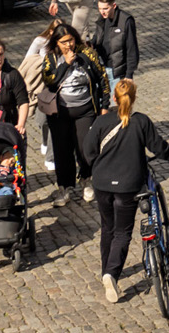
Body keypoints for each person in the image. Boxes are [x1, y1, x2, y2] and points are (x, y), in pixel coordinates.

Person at [81, 78, 169, 305]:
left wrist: (98, 165)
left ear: (114, 98)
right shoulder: (141, 122)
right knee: (122, 232)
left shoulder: (101, 122)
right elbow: (161, 150)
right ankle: (112, 274)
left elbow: (87, 150)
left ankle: (105, 272)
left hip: (102, 184)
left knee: (108, 228)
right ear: (134, 97)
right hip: (129, 186)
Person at [42, 23, 110, 205]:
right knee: (62, 151)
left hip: (85, 110)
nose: (68, 45)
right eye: (63, 42)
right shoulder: (51, 58)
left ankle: (87, 179)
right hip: (59, 113)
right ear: (56, 42)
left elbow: (103, 80)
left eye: (70, 40)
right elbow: (50, 81)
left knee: (85, 148)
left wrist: (104, 107)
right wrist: (66, 64)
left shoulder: (87, 54)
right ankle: (64, 187)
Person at [89, 0, 140, 81]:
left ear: (114, 6)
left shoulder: (126, 21)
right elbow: (98, 36)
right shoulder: (102, 18)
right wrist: (91, 44)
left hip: (118, 72)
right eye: (100, 8)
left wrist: (129, 75)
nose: (102, 12)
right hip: (102, 68)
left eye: (105, 8)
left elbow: (131, 48)